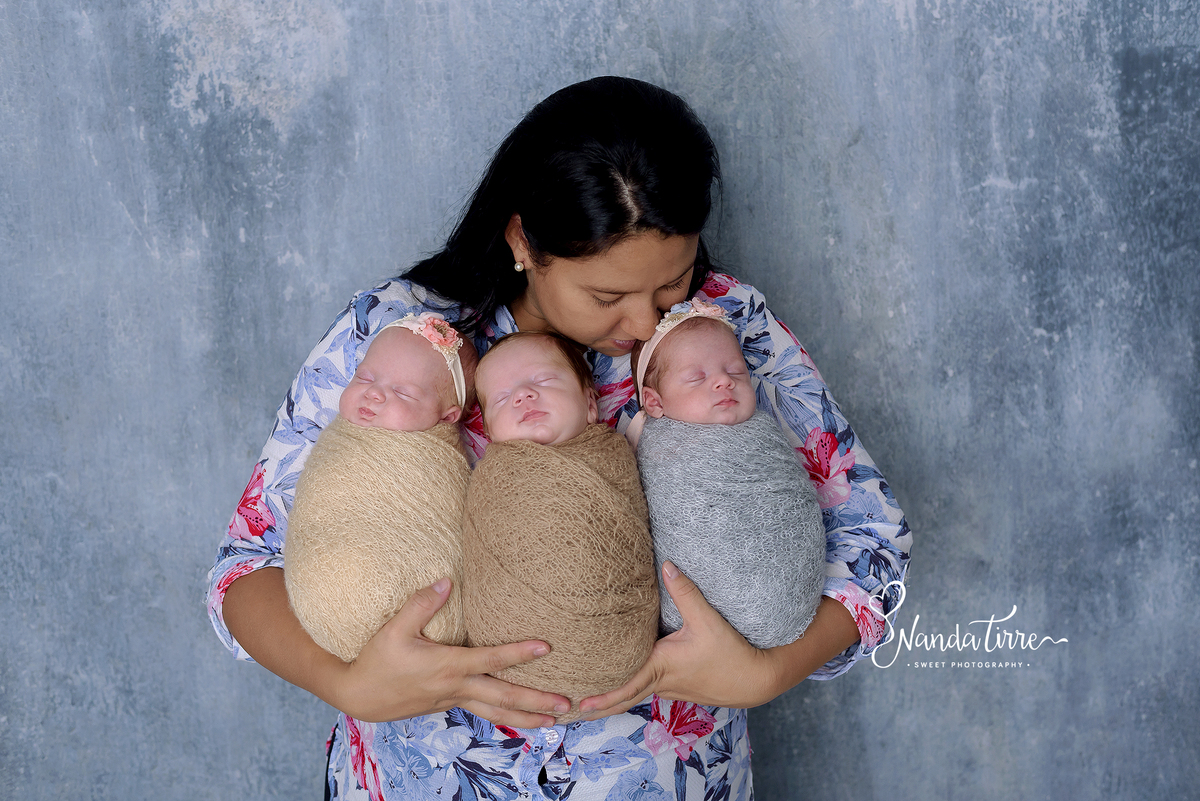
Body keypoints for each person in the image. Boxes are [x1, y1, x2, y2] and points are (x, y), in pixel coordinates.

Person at [207, 76, 911, 800]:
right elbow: (244, 568)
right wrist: (350, 684)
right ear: (522, 240)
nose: (643, 324)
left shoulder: (722, 333)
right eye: (607, 296)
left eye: (670, 282)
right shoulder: (401, 340)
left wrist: (769, 672)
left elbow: (873, 542)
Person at [462, 331, 658, 721]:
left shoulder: (615, 457)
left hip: (621, 655)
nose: (522, 396)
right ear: (490, 433)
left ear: (590, 404)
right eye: (502, 398)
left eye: (544, 381)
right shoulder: (491, 476)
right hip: (500, 663)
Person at [628, 300, 826, 650]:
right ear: (655, 403)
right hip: (687, 618)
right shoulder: (649, 444)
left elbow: (795, 508)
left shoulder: (764, 432)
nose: (723, 382)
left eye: (735, 372)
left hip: (785, 597)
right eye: (696, 378)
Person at [283, 313, 478, 663]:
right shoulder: (342, 435)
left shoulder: (437, 458)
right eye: (365, 376)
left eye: (402, 392)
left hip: (424, 602)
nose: (373, 393)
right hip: (324, 593)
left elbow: (443, 518)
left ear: (447, 417)